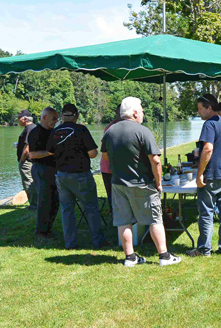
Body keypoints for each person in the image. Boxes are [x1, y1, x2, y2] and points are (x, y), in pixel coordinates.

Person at [101, 97, 181, 267]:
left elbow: (106, 156)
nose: (143, 113)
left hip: (118, 183)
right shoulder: (142, 131)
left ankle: (130, 258)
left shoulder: (110, 131)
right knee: (154, 219)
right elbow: (156, 161)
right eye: (142, 110)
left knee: (123, 221)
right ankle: (164, 256)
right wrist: (159, 183)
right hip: (141, 183)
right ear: (135, 113)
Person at [46, 104, 106, 250]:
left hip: (61, 176)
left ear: (61, 116)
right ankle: (98, 242)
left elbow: (50, 152)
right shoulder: (81, 129)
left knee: (67, 210)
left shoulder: (55, 132)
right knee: (91, 208)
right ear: (76, 116)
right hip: (80, 174)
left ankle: (70, 244)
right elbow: (93, 153)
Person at [186, 94, 221, 256]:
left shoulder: (210, 124)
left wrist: (199, 174)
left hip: (212, 174)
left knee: (206, 213)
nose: (198, 112)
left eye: (200, 108)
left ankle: (204, 249)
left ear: (209, 108)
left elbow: (208, 148)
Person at [28, 107, 60, 239]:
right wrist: (50, 153)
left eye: (57, 118)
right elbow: (32, 154)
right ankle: (41, 231)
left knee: (55, 200)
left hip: (53, 169)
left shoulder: (53, 132)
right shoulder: (35, 133)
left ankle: (48, 228)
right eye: (54, 118)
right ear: (44, 117)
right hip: (41, 169)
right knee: (45, 200)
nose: (56, 121)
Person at [100, 105, 121, 215]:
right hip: (108, 167)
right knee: (111, 193)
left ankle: (116, 211)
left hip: (117, 167)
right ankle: (113, 212)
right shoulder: (110, 128)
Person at [16, 109, 38, 211]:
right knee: (34, 181)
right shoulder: (34, 127)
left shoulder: (28, 129)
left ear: (25, 119)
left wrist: (21, 161)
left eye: (19, 118)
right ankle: (37, 202)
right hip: (34, 161)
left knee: (28, 182)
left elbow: (27, 148)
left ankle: (34, 204)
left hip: (27, 162)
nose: (17, 120)